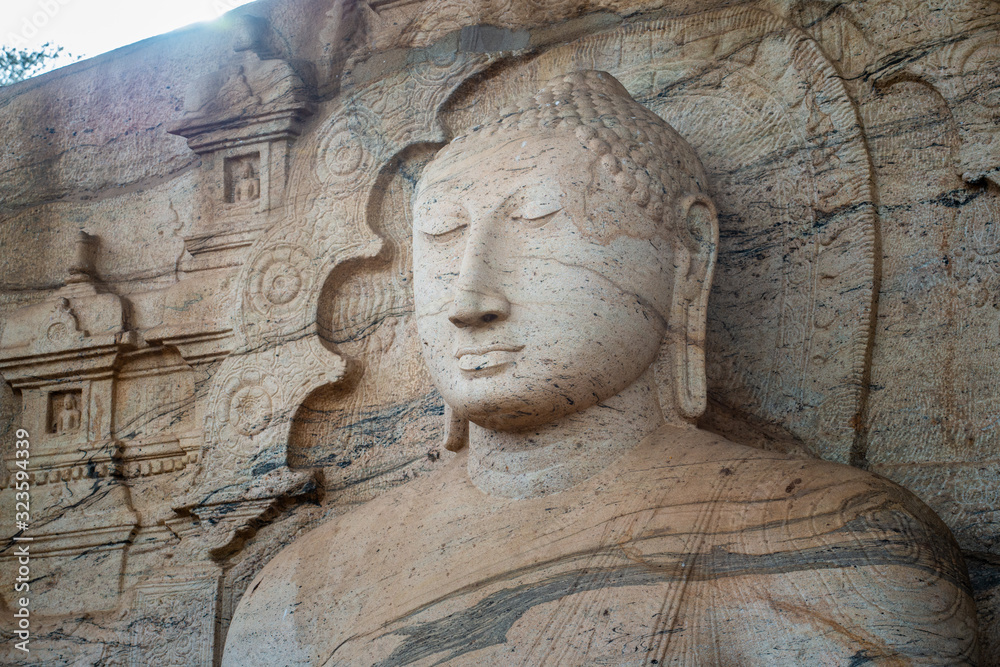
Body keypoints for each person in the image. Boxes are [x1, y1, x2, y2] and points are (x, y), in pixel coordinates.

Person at [223, 71, 978, 665]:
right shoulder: (296, 590)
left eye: (537, 221)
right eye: (443, 236)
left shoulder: (838, 551)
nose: (470, 297)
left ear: (688, 255)